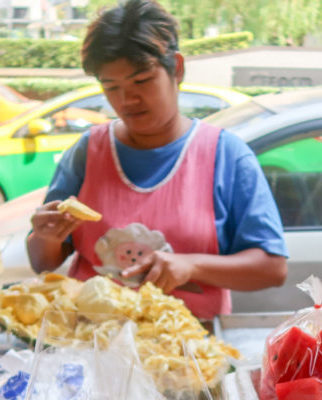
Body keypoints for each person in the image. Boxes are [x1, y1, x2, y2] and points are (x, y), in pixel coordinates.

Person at [26, 0, 288, 320]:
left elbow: (272, 268)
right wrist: (44, 237)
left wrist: (191, 266)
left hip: (188, 352)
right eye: (111, 87)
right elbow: (44, 263)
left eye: (142, 81)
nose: (127, 100)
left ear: (176, 68)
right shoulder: (86, 152)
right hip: (91, 344)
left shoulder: (227, 156)